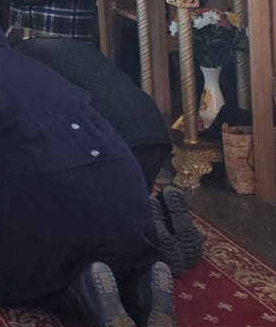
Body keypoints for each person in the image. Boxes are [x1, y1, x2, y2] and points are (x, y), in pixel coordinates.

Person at [0, 9, 174, 327]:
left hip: (47, 205)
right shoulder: (36, 67)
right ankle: (139, 278)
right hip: (128, 193)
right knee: (103, 238)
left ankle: (78, 288)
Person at [16, 36, 203, 274]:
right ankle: (155, 210)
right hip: (154, 133)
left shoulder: (18, 65)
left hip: (115, 145)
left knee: (74, 224)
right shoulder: (73, 49)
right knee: (120, 196)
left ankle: (146, 227)